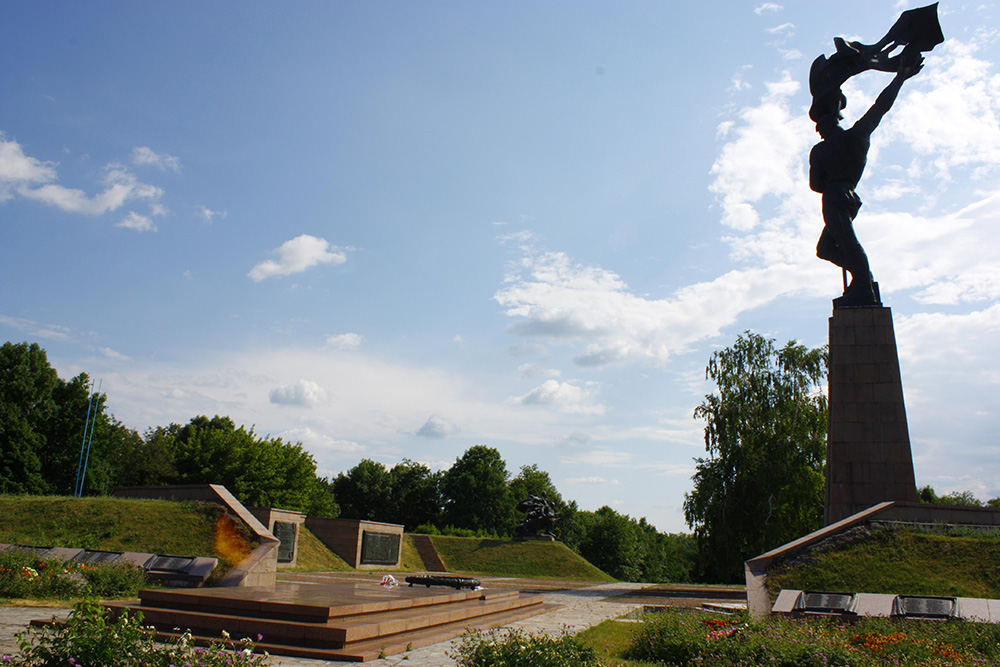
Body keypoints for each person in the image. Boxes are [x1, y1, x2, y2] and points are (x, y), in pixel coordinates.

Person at [809, 55, 923, 307]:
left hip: (834, 194)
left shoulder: (820, 151)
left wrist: (901, 77)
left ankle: (862, 284)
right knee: (826, 248)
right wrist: (900, 78)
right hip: (850, 196)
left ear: (823, 127)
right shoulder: (858, 136)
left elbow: (815, 185)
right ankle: (864, 279)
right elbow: (880, 107)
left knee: (847, 242)